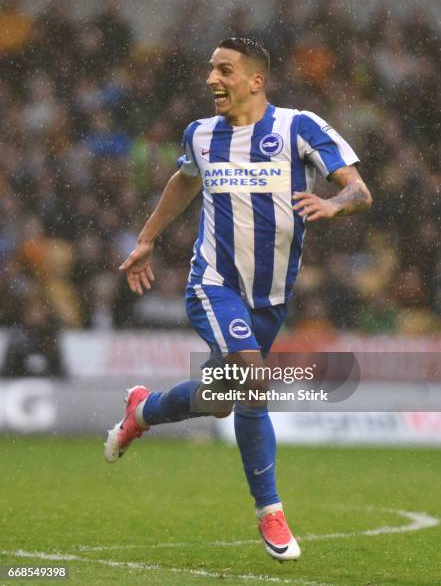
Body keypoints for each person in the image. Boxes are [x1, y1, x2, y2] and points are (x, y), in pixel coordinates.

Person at [104, 37, 372, 562]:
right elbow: (184, 182)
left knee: (221, 397)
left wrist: (333, 205)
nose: (211, 79)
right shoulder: (200, 135)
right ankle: (269, 510)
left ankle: (143, 411)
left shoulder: (299, 127)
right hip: (213, 284)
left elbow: (360, 191)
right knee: (252, 376)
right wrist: (148, 238)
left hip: (270, 297)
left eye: (224, 70)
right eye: (210, 69)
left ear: (256, 80)